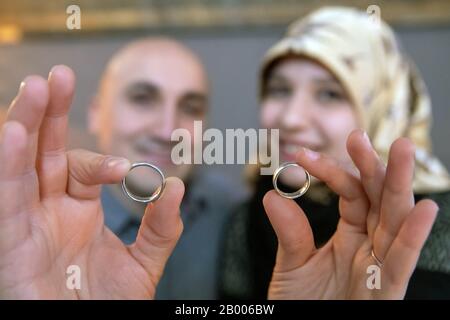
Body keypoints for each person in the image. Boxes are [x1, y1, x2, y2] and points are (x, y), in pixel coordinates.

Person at [220, 7, 450, 299]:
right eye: (279, 90)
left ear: (383, 110)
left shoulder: (438, 223)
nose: (291, 118)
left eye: (329, 94)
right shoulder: (249, 219)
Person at [0, 38, 240, 299]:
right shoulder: (35, 229)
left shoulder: (227, 210)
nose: (168, 131)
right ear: (96, 113)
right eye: (143, 99)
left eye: (191, 108)